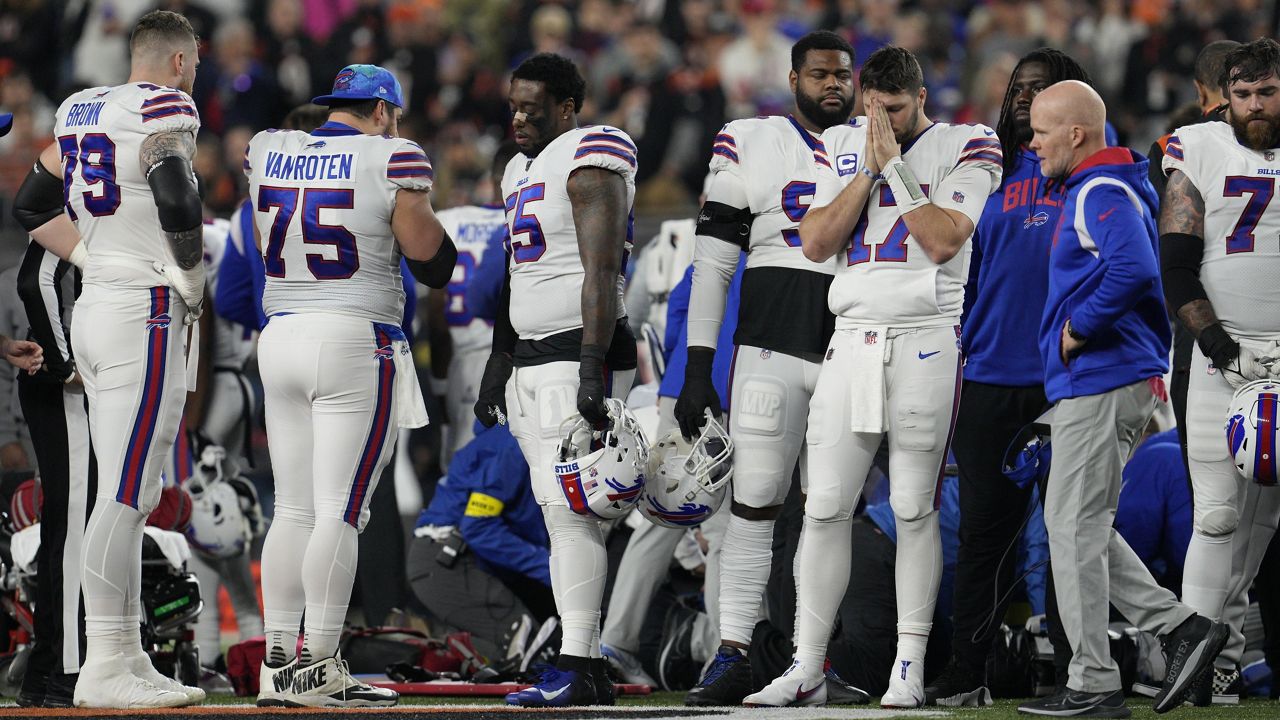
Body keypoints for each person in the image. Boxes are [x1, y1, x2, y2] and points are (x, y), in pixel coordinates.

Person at [754, 44, 1003, 708]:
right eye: (875, 112)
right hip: (850, 340)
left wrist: (896, 169)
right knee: (826, 507)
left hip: (925, 342)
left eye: (895, 112)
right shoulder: (846, 145)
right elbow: (814, 241)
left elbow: (945, 238)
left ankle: (909, 665)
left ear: (920, 99)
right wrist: (867, 170)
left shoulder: (966, 141)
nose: (884, 124)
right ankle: (807, 663)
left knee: (913, 507)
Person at [14, 10, 207, 709]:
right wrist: (189, 274)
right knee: (123, 494)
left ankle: (124, 653)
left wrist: (93, 256)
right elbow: (178, 194)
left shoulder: (80, 107)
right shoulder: (164, 107)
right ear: (181, 62)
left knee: (132, 492)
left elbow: (32, 205)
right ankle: (103, 661)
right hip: (144, 312)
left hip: (100, 306)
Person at [247, 63, 454, 708]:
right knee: (341, 511)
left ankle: (278, 659)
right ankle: (318, 665)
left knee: (293, 509)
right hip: (354, 338)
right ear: (385, 111)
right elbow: (433, 261)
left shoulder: (268, 149)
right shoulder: (394, 158)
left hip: (279, 332)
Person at [1019, 79, 1226, 717]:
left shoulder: (1096, 189)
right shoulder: (1118, 184)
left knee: (1072, 527)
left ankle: (1093, 682)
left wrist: (1077, 329)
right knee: (1081, 525)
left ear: (1076, 133)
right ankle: (1183, 629)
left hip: (1102, 377)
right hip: (1120, 379)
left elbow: (1134, 266)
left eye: (1041, 131)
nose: (1032, 143)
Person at [674, 30, 857, 707]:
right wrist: (699, 366)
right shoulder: (746, 138)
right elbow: (714, 260)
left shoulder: (876, 139)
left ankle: (811, 660)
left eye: (842, 74)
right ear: (793, 77)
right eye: (819, 74)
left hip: (851, 345)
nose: (832, 85)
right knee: (752, 505)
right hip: (769, 342)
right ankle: (735, 650)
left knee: (831, 512)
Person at [924, 48, 1095, 708]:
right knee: (982, 535)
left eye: (1042, 87)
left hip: (1068, 375)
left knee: (1068, 531)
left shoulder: (1092, 171)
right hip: (990, 372)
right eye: (1019, 88)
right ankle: (969, 670)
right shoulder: (983, 170)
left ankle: (1075, 671)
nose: (1025, 97)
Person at [472, 52, 638, 707]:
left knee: (572, 515)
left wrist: (593, 368)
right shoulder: (518, 170)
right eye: (512, 106)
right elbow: (519, 272)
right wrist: (498, 358)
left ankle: (577, 660)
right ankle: (588, 661)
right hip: (535, 358)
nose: (517, 118)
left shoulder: (589, 153)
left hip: (577, 352)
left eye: (531, 108)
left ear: (568, 107)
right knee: (567, 515)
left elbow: (600, 270)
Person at [1159, 37, 1280, 706]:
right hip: (1217, 358)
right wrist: (1220, 345)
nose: (1255, 105)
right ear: (1225, 96)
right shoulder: (1197, 147)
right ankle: (1194, 665)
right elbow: (1175, 262)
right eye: (1243, 93)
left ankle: (1228, 656)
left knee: (1261, 522)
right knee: (1215, 516)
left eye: (1267, 92)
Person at [1147, 40, 1240, 479]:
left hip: (1196, 340)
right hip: (1265, 329)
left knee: (1207, 501)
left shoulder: (1171, 148)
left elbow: (1164, 250)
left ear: (1200, 91)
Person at [407, 422, 555, 661]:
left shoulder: (522, 439)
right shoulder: (514, 443)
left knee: (568, 640)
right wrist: (551, 568)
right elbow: (479, 526)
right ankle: (417, 647)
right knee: (537, 656)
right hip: (450, 558)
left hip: (479, 561)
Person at [430, 143, 518, 464]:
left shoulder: (450, 220)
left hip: (468, 364)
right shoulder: (535, 220)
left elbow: (437, 315)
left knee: (465, 468)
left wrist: (439, 385)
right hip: (525, 358)